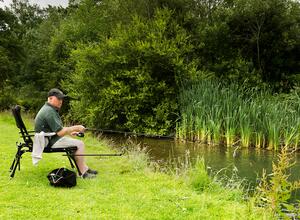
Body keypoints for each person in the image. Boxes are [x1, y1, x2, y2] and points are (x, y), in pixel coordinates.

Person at [34, 88, 97, 179]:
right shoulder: (49, 111)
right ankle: (83, 173)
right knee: (80, 144)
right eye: (58, 99)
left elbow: (57, 130)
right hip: (49, 141)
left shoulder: (49, 109)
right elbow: (60, 132)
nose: (61, 101)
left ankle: (84, 168)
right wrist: (77, 127)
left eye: (61, 99)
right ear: (50, 98)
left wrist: (70, 132)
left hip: (49, 138)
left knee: (76, 144)